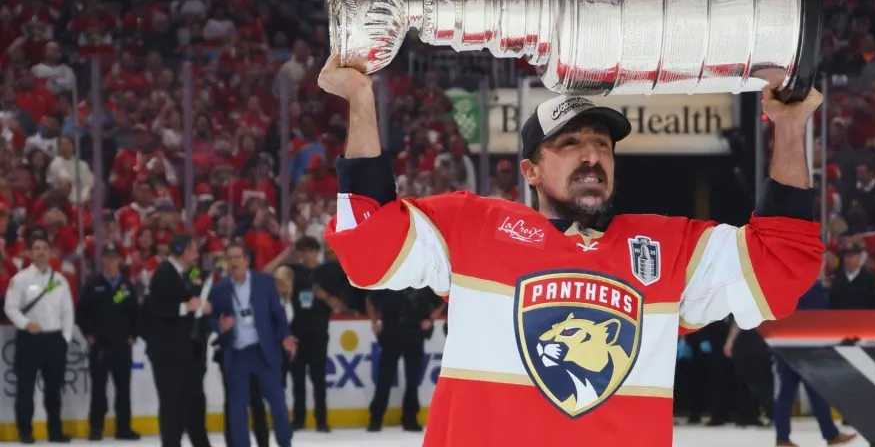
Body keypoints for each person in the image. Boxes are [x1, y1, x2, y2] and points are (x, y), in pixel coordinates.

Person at [316, 53, 825, 446]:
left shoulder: (669, 248)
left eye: (602, 144)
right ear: (531, 171)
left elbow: (781, 265)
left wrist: (791, 126)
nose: (591, 155)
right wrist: (360, 99)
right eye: (570, 143)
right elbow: (369, 245)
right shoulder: (472, 226)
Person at [209, 243, 296, 447]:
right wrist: (219, 325)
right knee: (238, 409)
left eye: (237, 257)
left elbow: (278, 315)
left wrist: (285, 336)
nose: (233, 262)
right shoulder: (219, 288)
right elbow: (209, 319)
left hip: (263, 351)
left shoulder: (264, 282)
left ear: (246, 260)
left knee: (278, 405)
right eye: (229, 258)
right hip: (238, 354)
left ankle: (285, 442)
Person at [264, 237, 346, 431]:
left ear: (316, 251)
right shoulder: (295, 271)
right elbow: (265, 274)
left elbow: (340, 305)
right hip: (296, 333)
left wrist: (324, 296)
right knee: (297, 379)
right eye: (302, 251)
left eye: (309, 250)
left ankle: (321, 420)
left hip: (318, 332)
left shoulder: (329, 272)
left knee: (319, 379)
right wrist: (284, 255)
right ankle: (299, 419)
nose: (306, 254)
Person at [3, 232, 74, 444]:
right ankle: (25, 431)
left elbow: (67, 311)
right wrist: (26, 324)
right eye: (37, 248)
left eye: (44, 248)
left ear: (51, 253)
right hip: (30, 340)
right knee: (25, 388)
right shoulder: (20, 279)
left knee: (54, 390)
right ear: (29, 253)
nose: (41, 252)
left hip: (54, 341)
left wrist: (65, 338)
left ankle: (55, 431)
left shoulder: (60, 281)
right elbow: (11, 307)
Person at [142, 235, 213, 447]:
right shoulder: (164, 273)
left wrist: (201, 307)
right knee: (173, 405)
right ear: (181, 250)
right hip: (169, 354)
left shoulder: (186, 273)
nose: (197, 255)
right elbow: (154, 309)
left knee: (194, 402)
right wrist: (186, 307)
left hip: (188, 352)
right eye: (192, 250)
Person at [773, 277, 857, 447]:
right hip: (804, 347)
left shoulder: (786, 284)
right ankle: (786, 437)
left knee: (803, 393)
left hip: (788, 344)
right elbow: (818, 316)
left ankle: (824, 434)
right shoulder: (811, 286)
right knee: (793, 393)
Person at [76, 245, 141, 440]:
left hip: (122, 345)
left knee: (124, 388)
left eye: (114, 257)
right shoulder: (93, 284)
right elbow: (81, 312)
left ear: (119, 260)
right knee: (99, 388)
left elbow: (136, 314)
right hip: (100, 346)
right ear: (102, 259)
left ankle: (123, 428)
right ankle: (96, 428)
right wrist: (88, 333)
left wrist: (134, 335)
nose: (111, 261)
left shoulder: (126, 286)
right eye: (107, 257)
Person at [365, 287, 445, 432]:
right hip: (391, 336)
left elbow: (442, 301)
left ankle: (410, 419)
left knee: (412, 381)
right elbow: (370, 299)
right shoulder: (390, 283)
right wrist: (374, 322)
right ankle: (376, 418)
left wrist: (431, 319)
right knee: (384, 379)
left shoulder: (423, 285)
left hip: (414, 336)